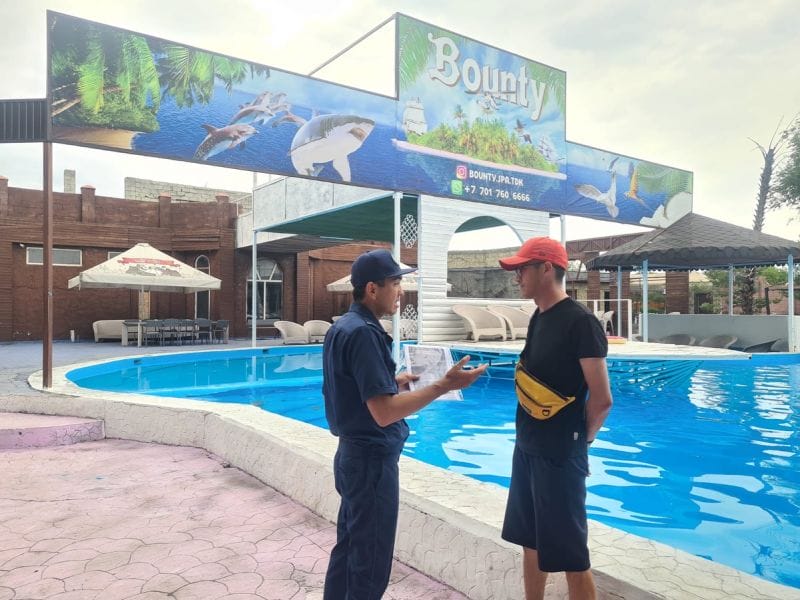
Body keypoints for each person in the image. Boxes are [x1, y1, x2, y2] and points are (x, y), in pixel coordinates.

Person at [322, 248, 487, 600]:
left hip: (351, 456)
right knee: (369, 564)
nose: (401, 291)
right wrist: (443, 385)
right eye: (395, 283)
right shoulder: (364, 333)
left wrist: (392, 383)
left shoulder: (342, 327)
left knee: (349, 550)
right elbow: (384, 413)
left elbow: (352, 391)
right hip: (370, 464)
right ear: (372, 289)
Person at [497, 237, 613, 600]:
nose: (517, 277)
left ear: (546, 268)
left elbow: (602, 400)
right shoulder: (538, 316)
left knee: (571, 557)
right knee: (530, 541)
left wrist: (579, 443)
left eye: (522, 269)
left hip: (559, 456)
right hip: (527, 449)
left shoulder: (581, 323)